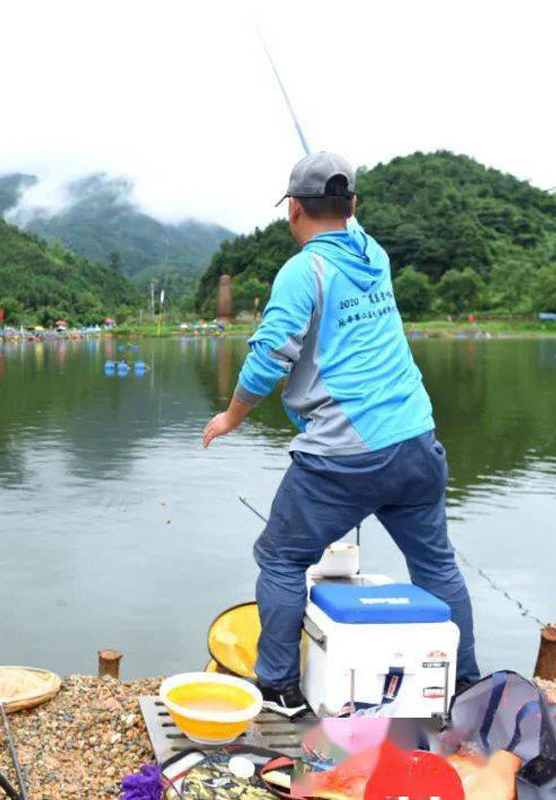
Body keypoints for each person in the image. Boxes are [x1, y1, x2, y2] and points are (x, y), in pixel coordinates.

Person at [201, 152, 479, 717]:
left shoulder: (303, 270)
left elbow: (269, 356)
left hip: (344, 456)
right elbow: (348, 224)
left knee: (281, 558)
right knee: (436, 566)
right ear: (352, 206)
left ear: (293, 210)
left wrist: (231, 416)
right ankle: (467, 686)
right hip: (416, 441)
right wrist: (346, 204)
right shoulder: (374, 254)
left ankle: (279, 688)